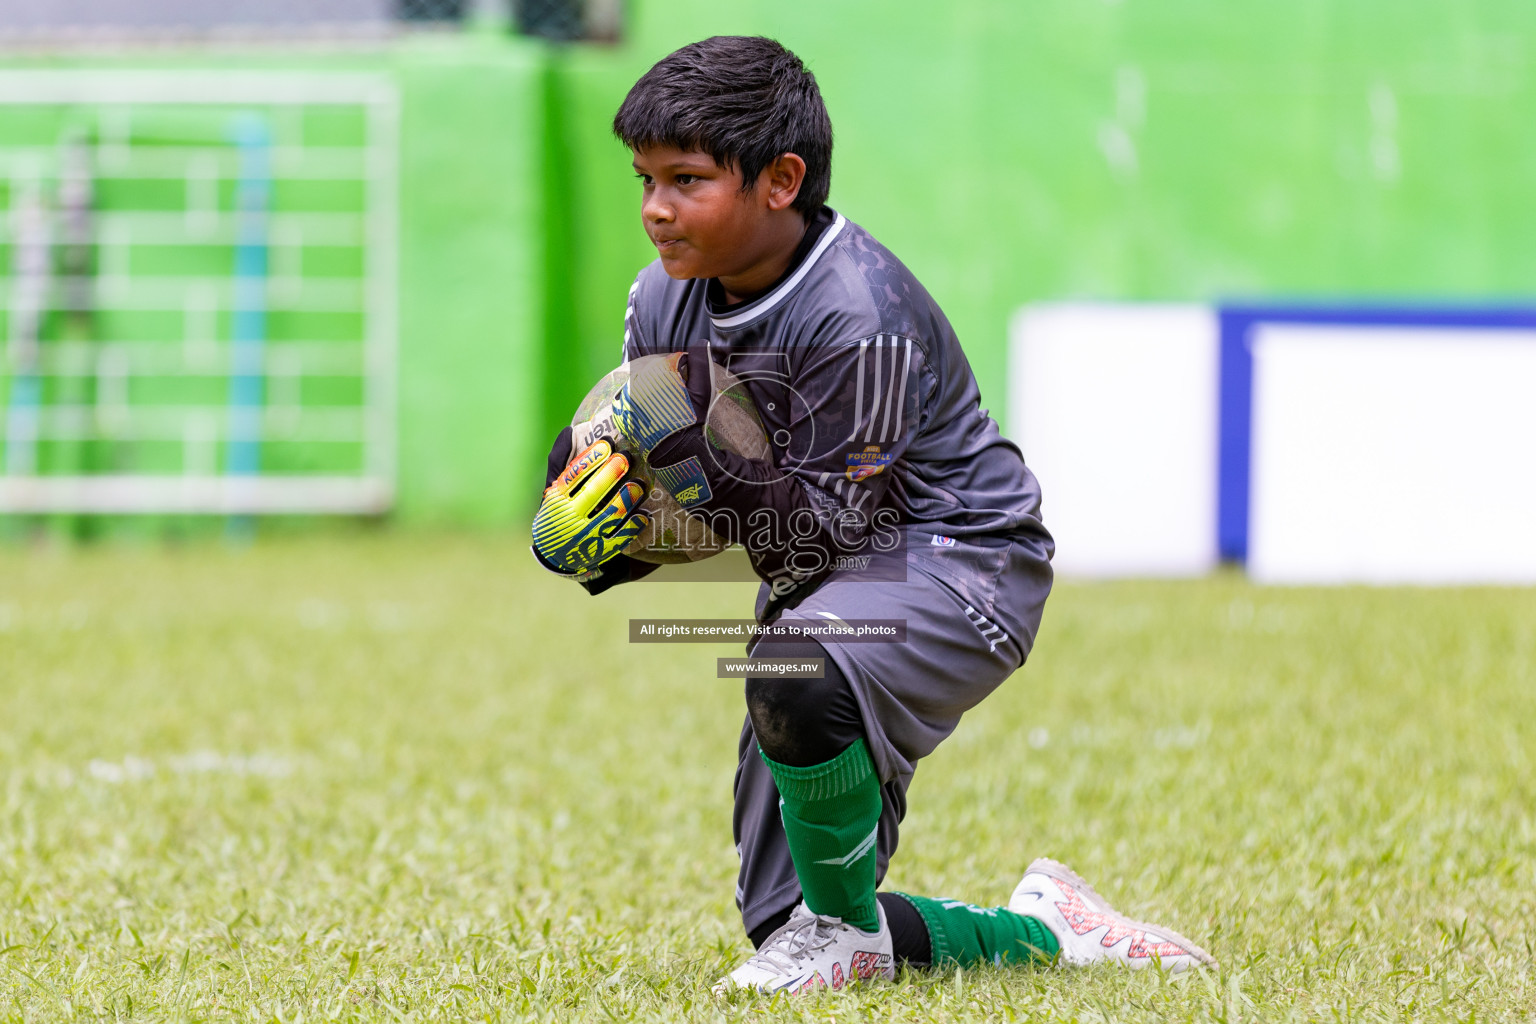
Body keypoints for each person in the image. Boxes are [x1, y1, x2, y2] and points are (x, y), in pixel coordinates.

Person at [532, 35, 1215, 995]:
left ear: (781, 180)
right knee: (787, 923)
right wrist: (606, 534)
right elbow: (698, 504)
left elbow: (819, 536)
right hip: (825, 578)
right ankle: (1049, 933)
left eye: (686, 179)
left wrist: (687, 455)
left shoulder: (859, 311)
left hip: (961, 561)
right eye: (644, 177)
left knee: (796, 668)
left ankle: (845, 931)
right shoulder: (662, 301)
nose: (654, 207)